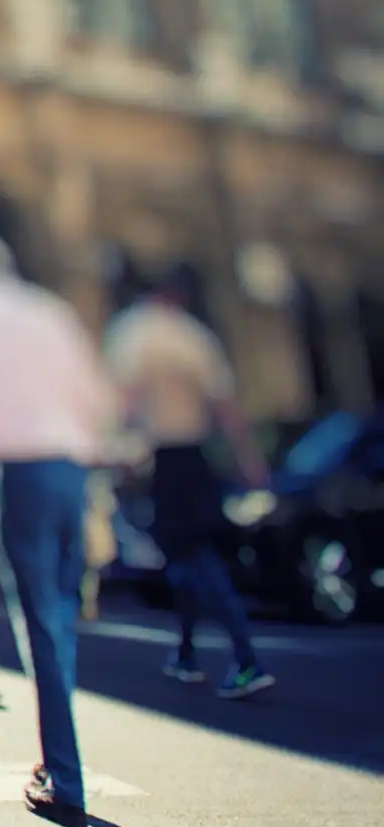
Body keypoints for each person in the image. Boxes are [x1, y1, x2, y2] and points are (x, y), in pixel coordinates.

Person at [0, 227, 117, 825]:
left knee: (38, 616)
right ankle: (60, 759)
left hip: (17, 473)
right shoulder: (49, 310)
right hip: (70, 469)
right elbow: (94, 395)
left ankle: (64, 773)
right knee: (59, 611)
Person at [104, 270, 275, 701]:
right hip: (196, 456)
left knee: (195, 559)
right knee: (184, 560)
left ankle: (246, 657)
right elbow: (225, 405)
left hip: (163, 457)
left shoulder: (134, 332)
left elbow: (124, 396)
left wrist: (110, 447)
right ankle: (186, 653)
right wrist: (249, 460)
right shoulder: (194, 336)